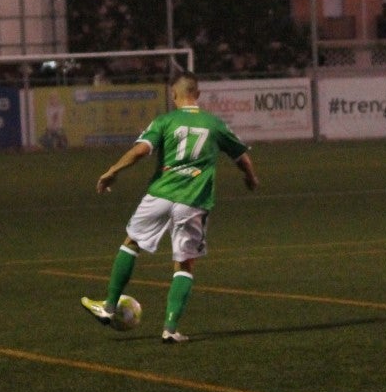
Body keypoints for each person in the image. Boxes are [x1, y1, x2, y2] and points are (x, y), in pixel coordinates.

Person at [81, 72, 259, 343]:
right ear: (197, 95)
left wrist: (112, 170)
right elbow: (242, 158)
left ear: (173, 94)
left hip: (160, 195)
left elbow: (140, 150)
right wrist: (250, 178)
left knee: (131, 243)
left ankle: (108, 307)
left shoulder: (165, 120)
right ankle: (170, 329)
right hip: (193, 200)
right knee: (184, 264)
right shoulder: (214, 124)